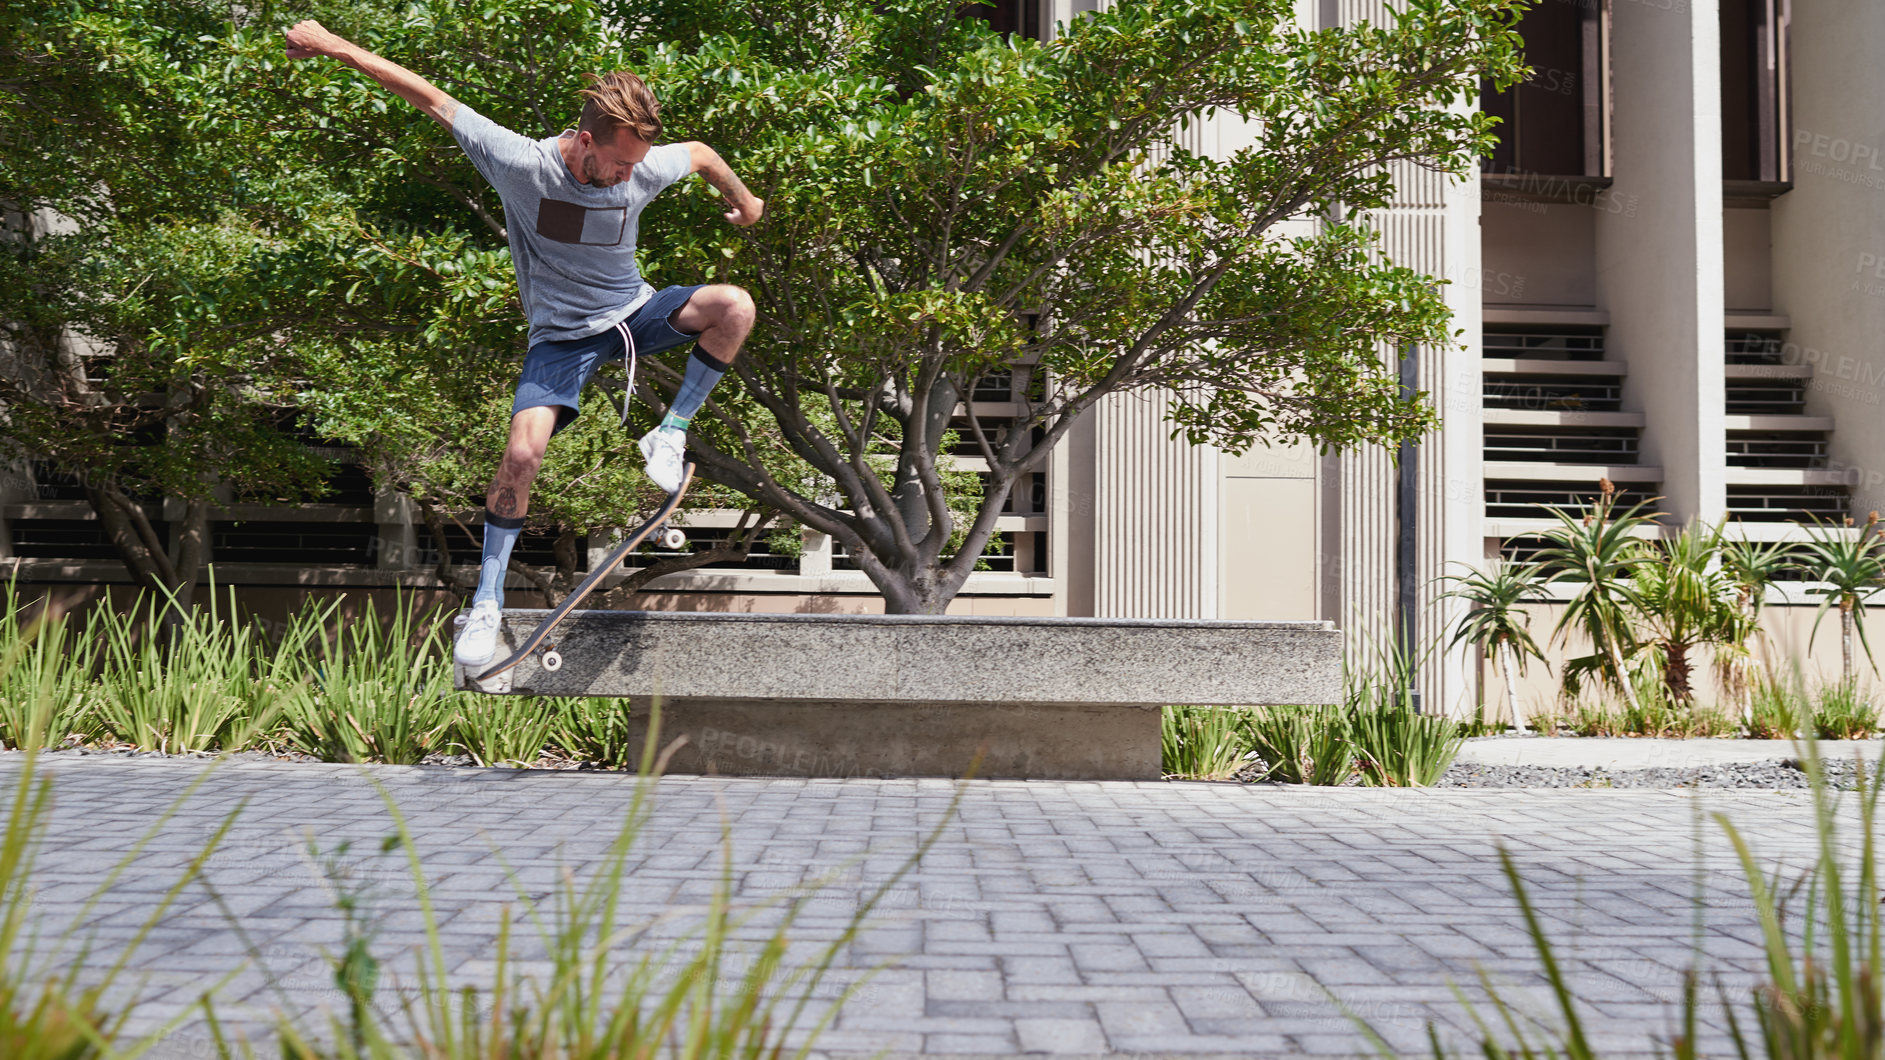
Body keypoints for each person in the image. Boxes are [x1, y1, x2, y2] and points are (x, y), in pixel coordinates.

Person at [283, 20, 764, 667]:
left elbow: (700, 152)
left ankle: (670, 431)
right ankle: (484, 606)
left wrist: (743, 199)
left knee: (734, 307)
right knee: (519, 457)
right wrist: (332, 45)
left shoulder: (641, 169)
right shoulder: (520, 163)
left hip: (632, 315)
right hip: (560, 342)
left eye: (638, 165)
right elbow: (429, 97)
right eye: (619, 163)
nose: (629, 176)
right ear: (585, 141)